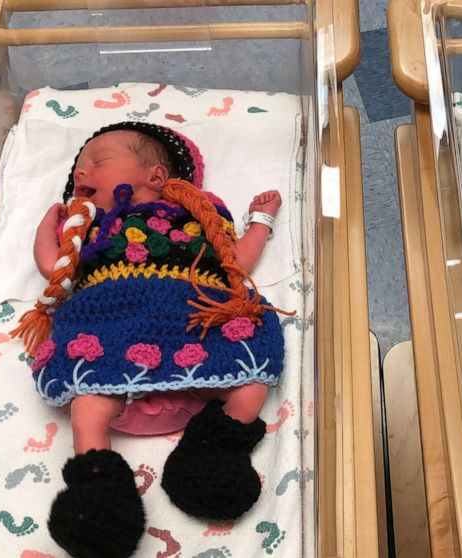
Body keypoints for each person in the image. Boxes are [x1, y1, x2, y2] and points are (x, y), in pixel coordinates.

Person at [15, 121, 288, 557]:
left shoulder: (200, 214)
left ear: (157, 178)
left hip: (193, 313)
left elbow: (235, 261)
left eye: (97, 163)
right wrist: (49, 230)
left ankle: (216, 448)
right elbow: (57, 271)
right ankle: (99, 491)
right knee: (88, 406)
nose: (81, 174)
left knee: (251, 370)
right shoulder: (88, 226)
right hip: (110, 319)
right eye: (78, 170)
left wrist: (261, 220)